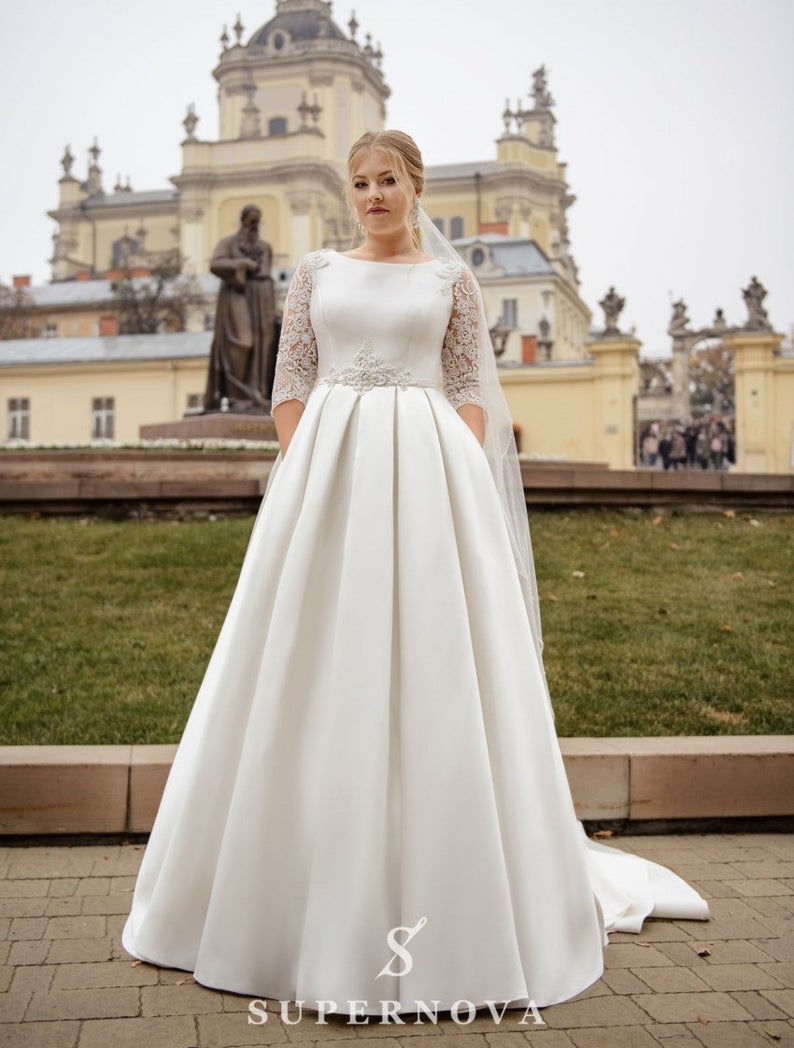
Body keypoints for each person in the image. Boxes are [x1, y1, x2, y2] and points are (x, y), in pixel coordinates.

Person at [121, 130, 708, 1017]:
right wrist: (310, 468)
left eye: (386, 180)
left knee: (439, 667)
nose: (373, 195)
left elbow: (469, 387)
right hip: (325, 478)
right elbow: (292, 381)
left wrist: (445, 474)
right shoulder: (316, 271)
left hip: (429, 480)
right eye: (359, 183)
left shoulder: (452, 280)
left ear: (413, 185)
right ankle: (272, 902)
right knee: (306, 659)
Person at [204, 204, 276, 411]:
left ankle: (257, 393)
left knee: (264, 343)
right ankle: (237, 396)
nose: (254, 225)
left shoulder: (265, 247)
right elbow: (215, 264)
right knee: (242, 342)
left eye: (257, 221)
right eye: (251, 220)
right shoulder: (228, 243)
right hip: (236, 293)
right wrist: (240, 263)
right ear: (243, 220)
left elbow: (266, 272)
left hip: (262, 295)